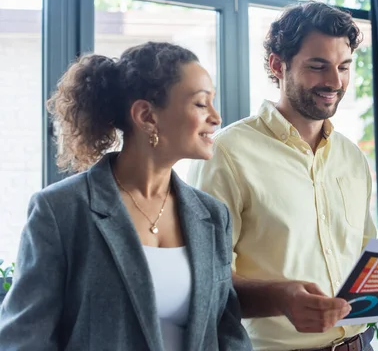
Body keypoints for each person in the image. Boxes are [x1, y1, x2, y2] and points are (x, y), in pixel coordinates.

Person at [187, 1, 378, 351]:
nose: (335, 81)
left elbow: (364, 262)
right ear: (278, 65)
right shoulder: (226, 153)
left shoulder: (351, 156)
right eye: (318, 66)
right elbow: (206, 280)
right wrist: (280, 298)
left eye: (344, 67)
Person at [0, 42, 252, 350]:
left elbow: (228, 334)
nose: (216, 117)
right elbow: (24, 339)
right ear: (146, 115)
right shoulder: (61, 210)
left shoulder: (213, 216)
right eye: (201, 104)